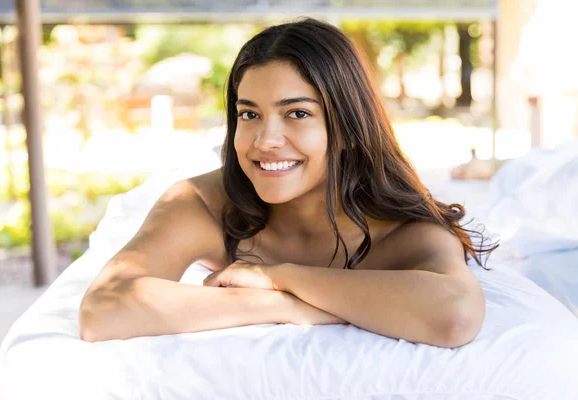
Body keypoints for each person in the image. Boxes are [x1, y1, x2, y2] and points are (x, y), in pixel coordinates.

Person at [79, 18, 497, 348]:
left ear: (349, 128)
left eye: (297, 114)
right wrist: (283, 306)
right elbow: (103, 309)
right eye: (249, 114)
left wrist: (281, 276)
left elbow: (455, 315)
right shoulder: (205, 204)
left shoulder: (405, 230)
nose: (265, 141)